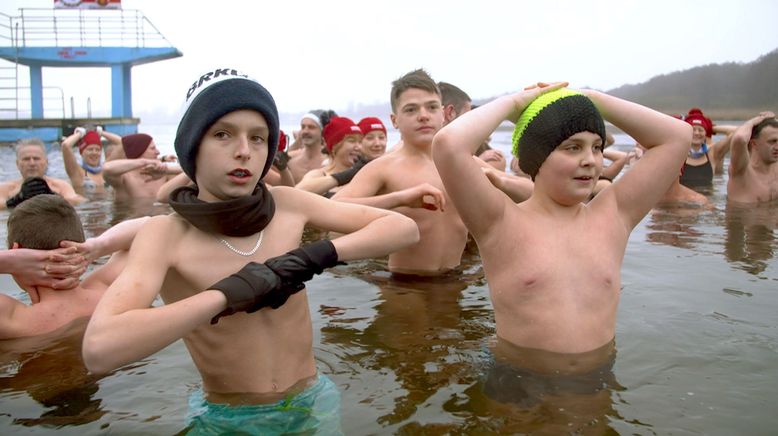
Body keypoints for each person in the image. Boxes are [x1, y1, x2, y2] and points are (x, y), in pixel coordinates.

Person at [81, 68, 419, 434]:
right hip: (227, 418)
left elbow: (402, 227)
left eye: (258, 138)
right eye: (223, 134)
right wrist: (227, 294)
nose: (244, 151)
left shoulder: (287, 204)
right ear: (193, 145)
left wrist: (308, 259)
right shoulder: (164, 235)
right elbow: (100, 348)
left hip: (312, 401)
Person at [432, 83, 690, 362]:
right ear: (537, 158)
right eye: (573, 147)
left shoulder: (613, 215)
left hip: (594, 385)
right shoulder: (501, 222)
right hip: (519, 387)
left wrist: (590, 99)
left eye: (597, 147)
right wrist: (515, 102)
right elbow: (448, 145)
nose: (590, 161)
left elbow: (677, 136)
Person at [332, 69, 467, 276]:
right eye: (411, 110)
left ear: (442, 113)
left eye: (431, 107)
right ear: (395, 120)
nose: (423, 116)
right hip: (404, 283)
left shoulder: (465, 163)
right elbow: (333, 207)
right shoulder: (384, 167)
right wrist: (400, 199)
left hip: (455, 278)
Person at [1, 194, 146, 339]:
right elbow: (154, 226)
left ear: (15, 253)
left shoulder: (14, 320)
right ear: (81, 244)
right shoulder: (111, 290)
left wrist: (8, 262)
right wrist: (98, 245)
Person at [0, 138, 84, 209]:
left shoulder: (60, 186)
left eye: (36, 159)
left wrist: (53, 196)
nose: (32, 163)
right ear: (17, 164)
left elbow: (80, 201)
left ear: (46, 162)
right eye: (26, 159)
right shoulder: (6, 189)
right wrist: (15, 201)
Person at [296, 116, 365, 196]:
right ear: (335, 146)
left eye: (360, 142)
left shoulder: (364, 175)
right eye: (351, 141)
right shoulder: (319, 174)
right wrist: (343, 176)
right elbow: (297, 192)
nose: (358, 147)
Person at [102, 133, 183, 202]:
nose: (158, 152)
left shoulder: (165, 175)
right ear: (138, 152)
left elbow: (190, 173)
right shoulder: (124, 179)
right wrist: (144, 162)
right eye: (152, 148)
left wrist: (168, 169)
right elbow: (107, 168)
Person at [726, 111, 778, 204]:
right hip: (743, 216)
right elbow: (740, 138)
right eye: (772, 141)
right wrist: (755, 121)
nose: (777, 146)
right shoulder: (741, 171)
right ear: (754, 144)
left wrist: (772, 120)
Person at [679, 108, 735, 188]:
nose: (697, 133)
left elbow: (737, 132)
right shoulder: (677, 153)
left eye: (700, 130)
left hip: (706, 198)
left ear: (706, 134)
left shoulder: (712, 154)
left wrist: (711, 128)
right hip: (683, 200)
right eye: (693, 129)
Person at [60, 126, 122, 194]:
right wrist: (79, 134)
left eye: (97, 150)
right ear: (82, 152)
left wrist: (101, 133)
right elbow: (65, 145)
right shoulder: (77, 172)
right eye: (90, 149)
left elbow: (122, 143)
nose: (94, 153)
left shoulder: (106, 169)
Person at [287, 111, 332, 183]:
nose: (305, 131)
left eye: (311, 127)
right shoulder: (290, 159)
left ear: (322, 131)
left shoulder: (331, 162)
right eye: (303, 127)